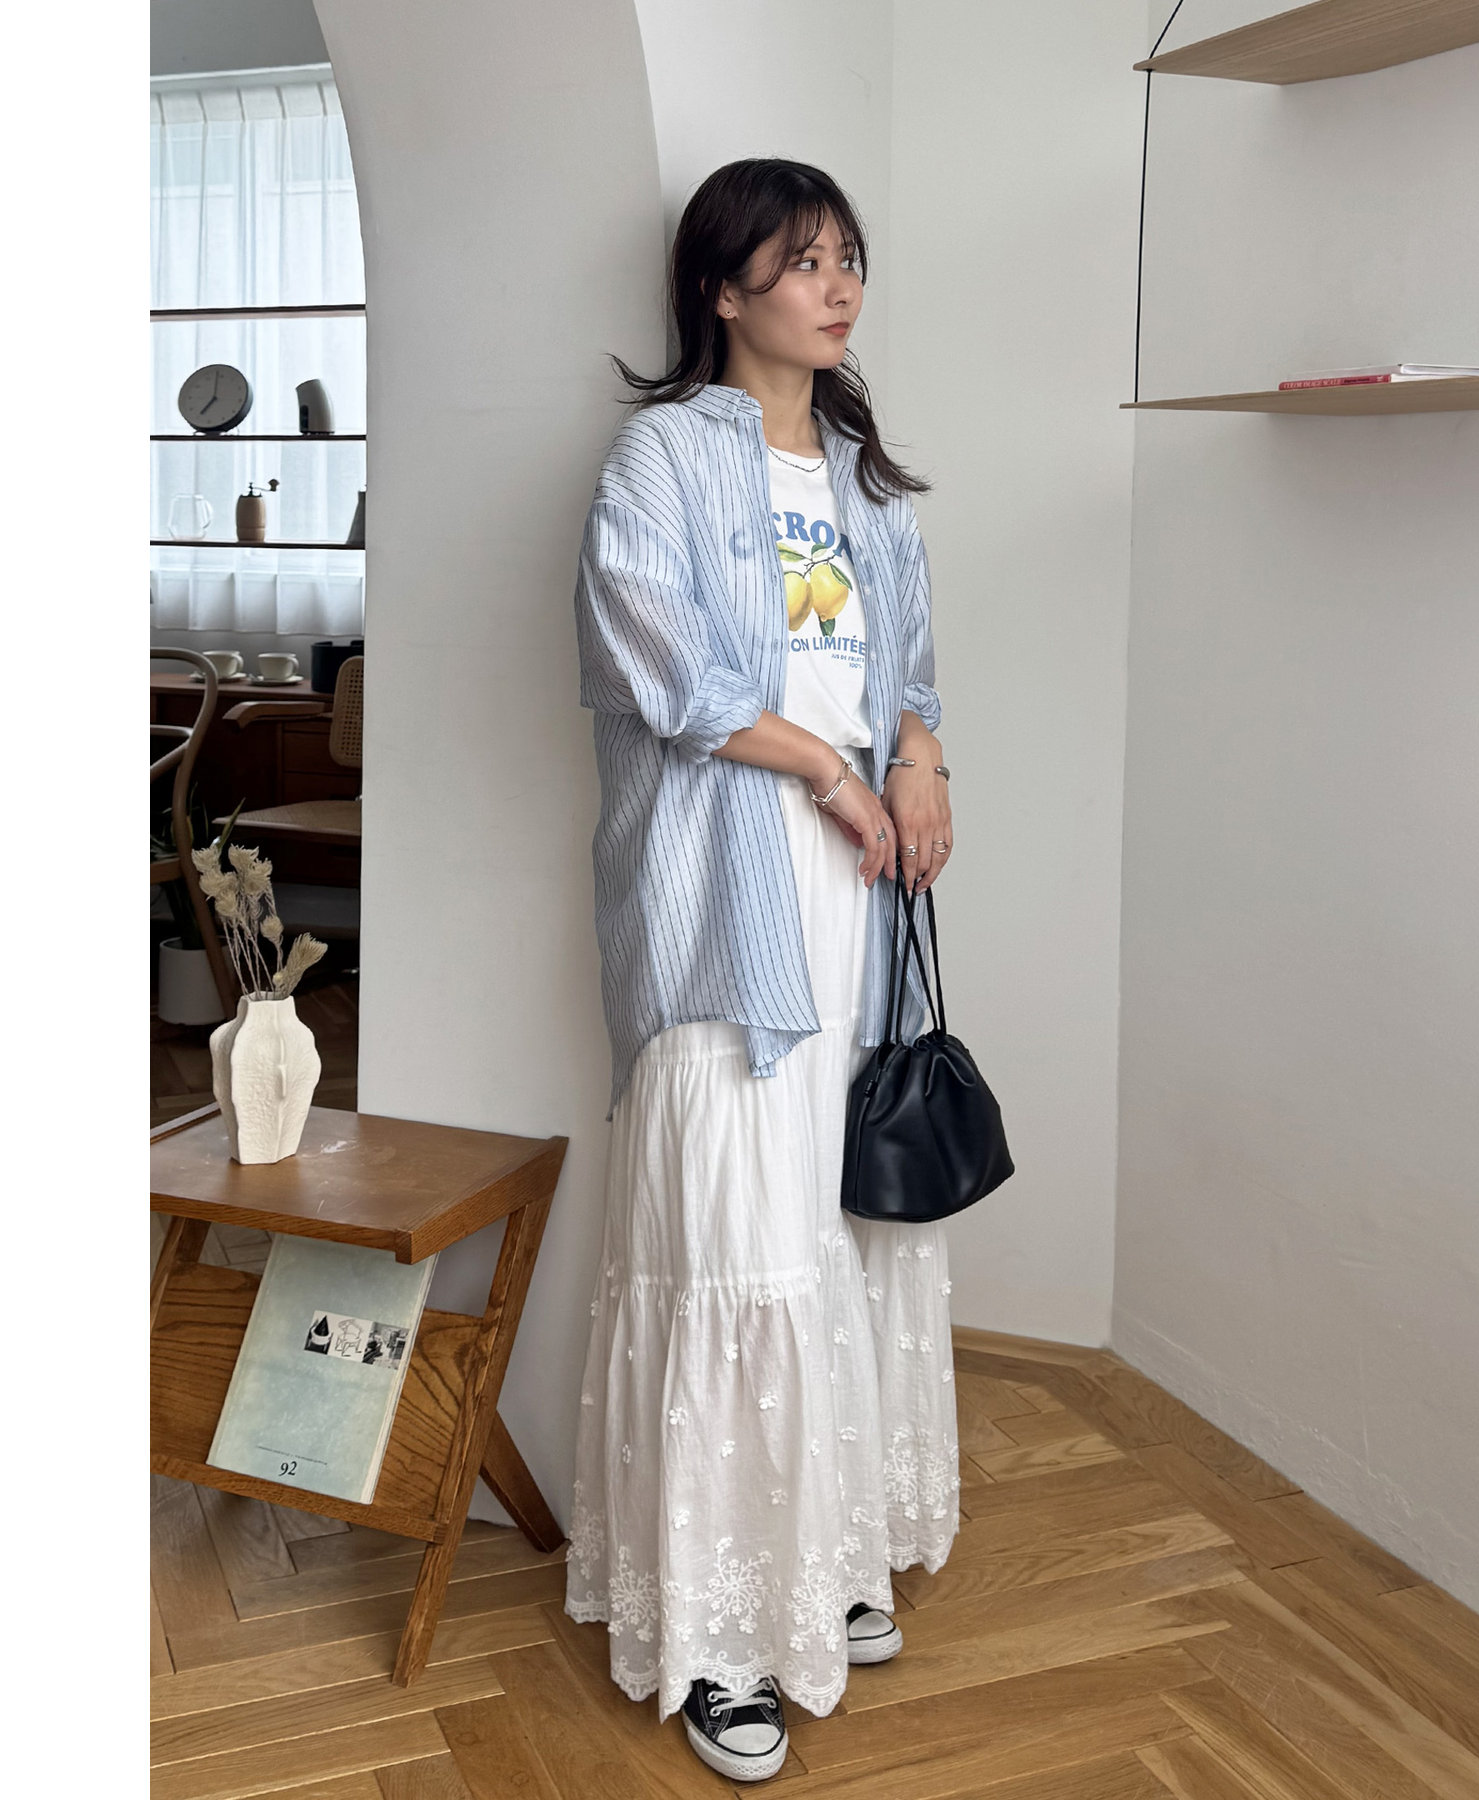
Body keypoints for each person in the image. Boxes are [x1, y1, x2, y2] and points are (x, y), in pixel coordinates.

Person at [563, 158, 961, 1784]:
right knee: (729, 1222)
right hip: (722, 892)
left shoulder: (866, 474)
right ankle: (724, 1634)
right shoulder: (661, 456)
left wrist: (919, 766)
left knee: (830, 1218)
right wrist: (835, 777)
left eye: (849, 256)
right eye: (803, 261)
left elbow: (908, 669)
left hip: (853, 892)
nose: (838, 284)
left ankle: (827, 1555)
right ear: (722, 290)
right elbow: (665, 670)